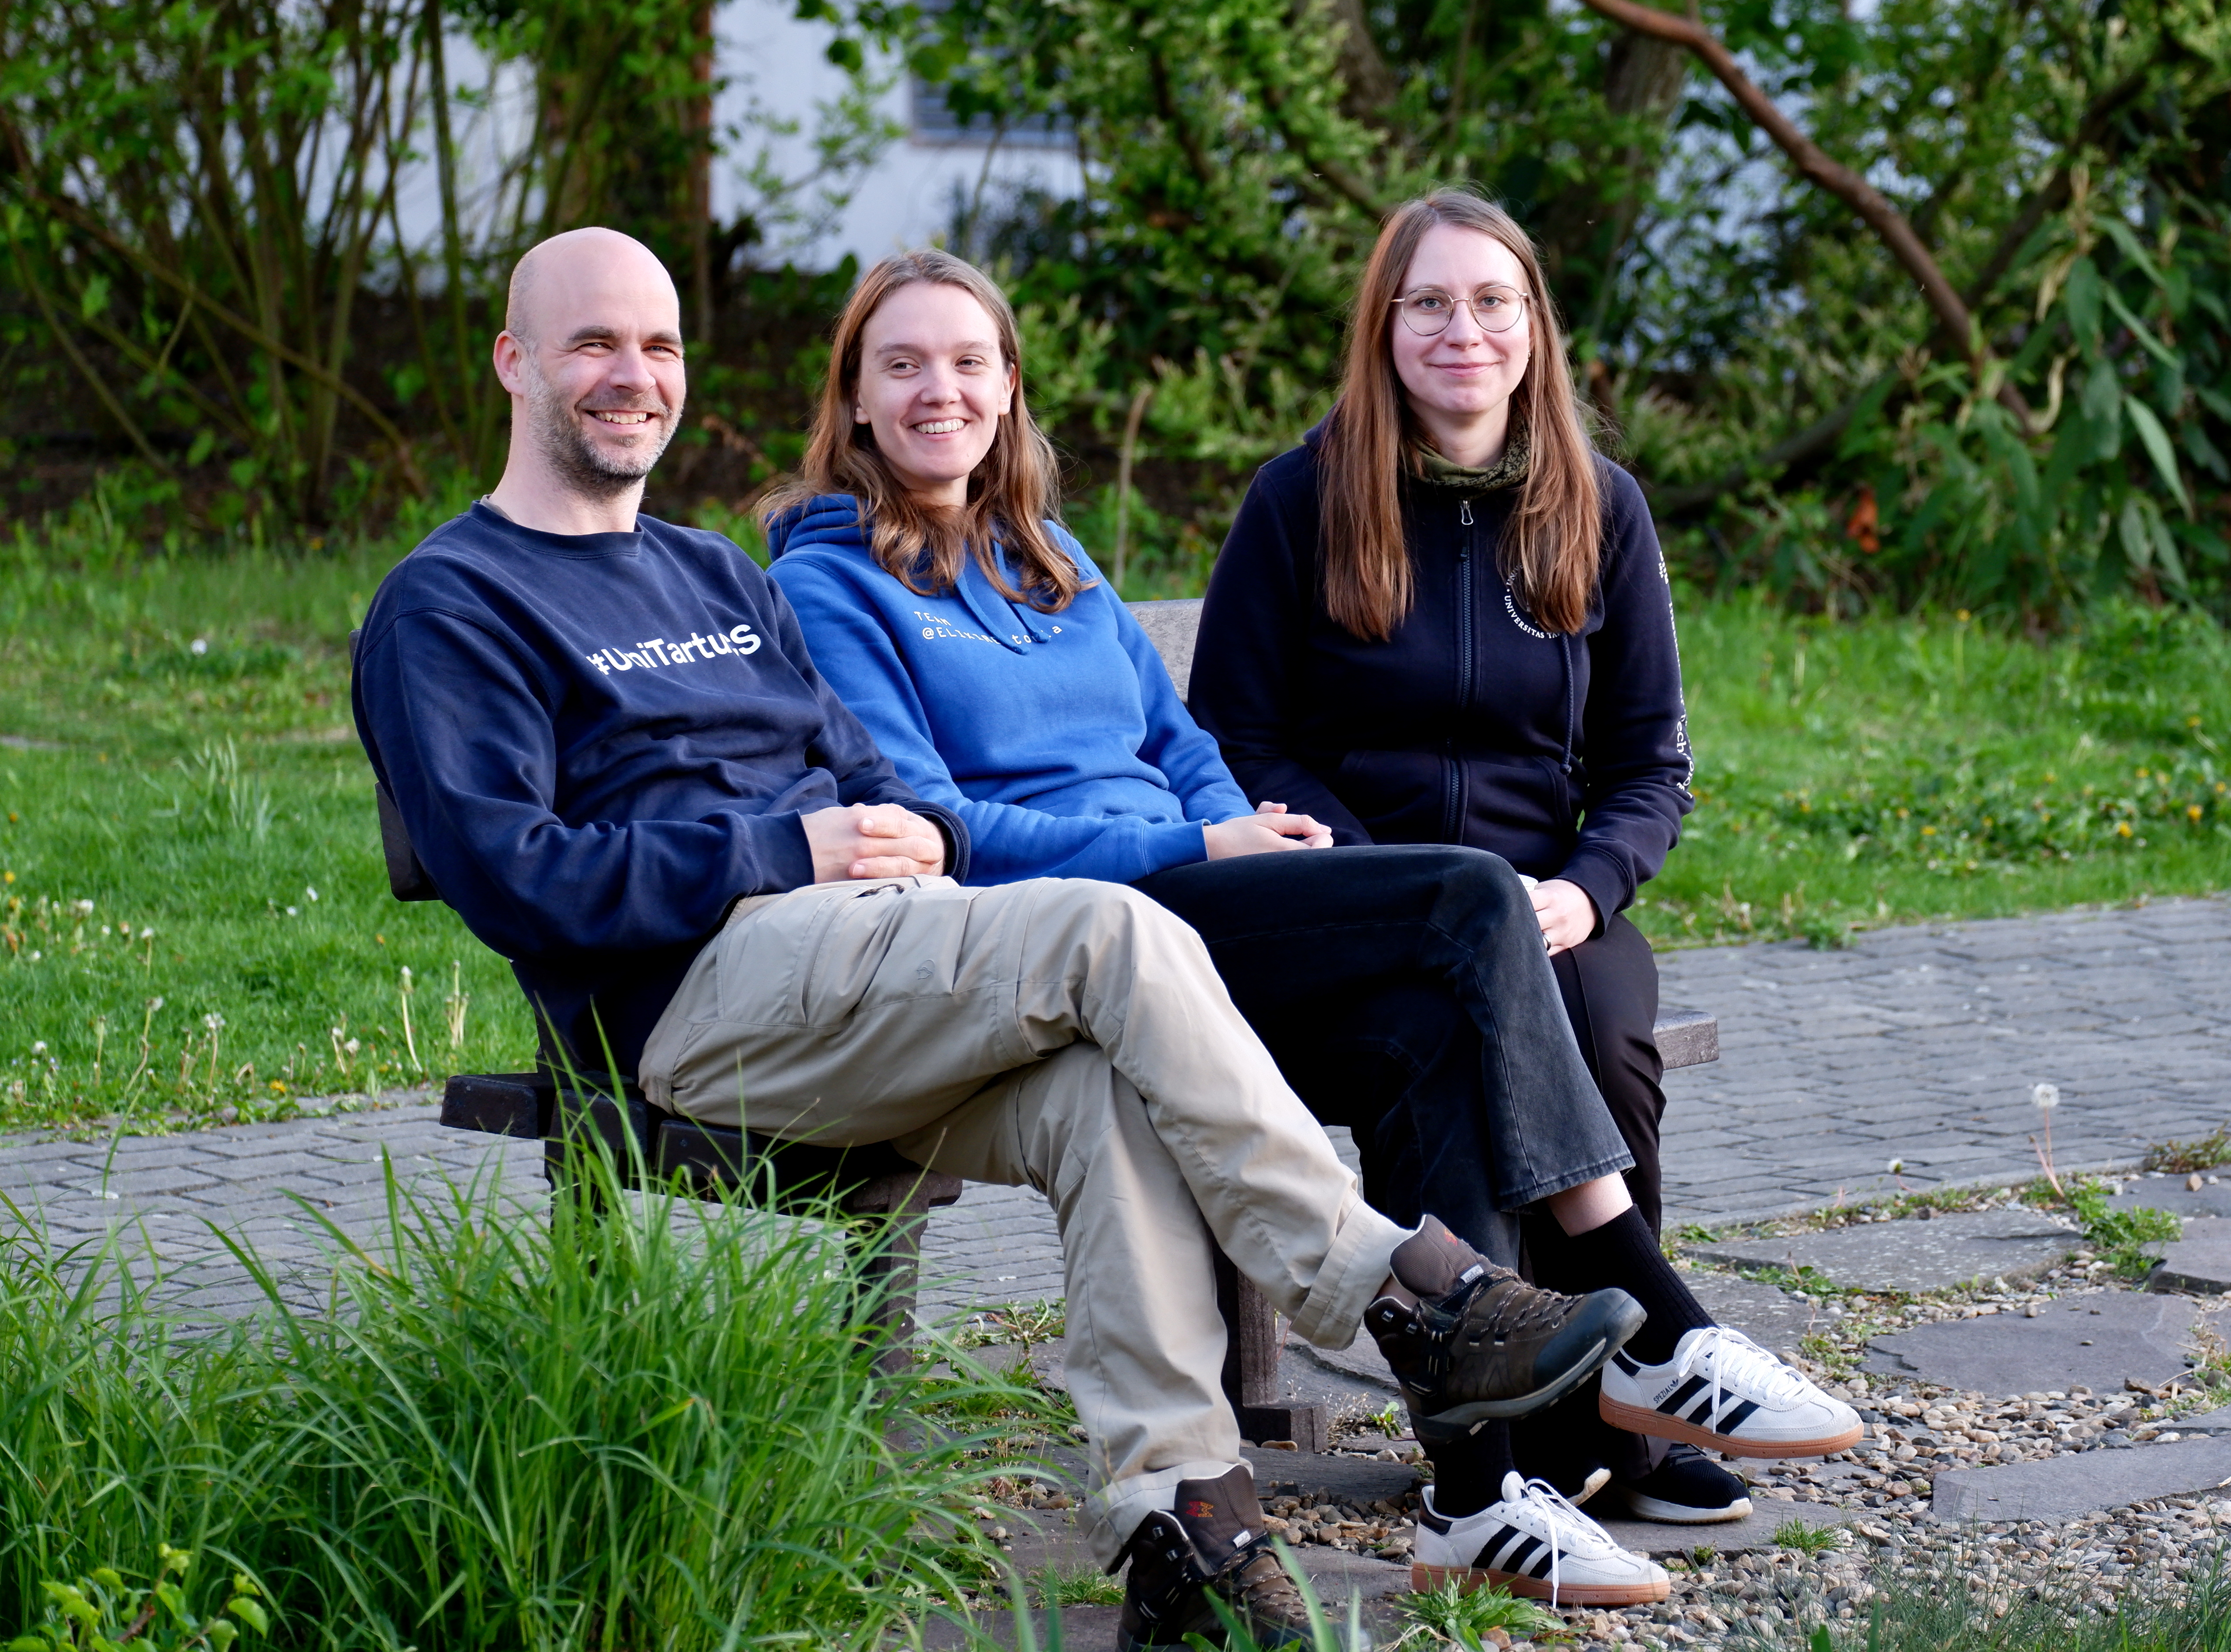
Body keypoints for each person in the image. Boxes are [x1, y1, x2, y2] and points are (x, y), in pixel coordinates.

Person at [348, 227, 1651, 1651]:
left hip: (878, 959)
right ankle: (1399, 1294)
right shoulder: (454, 600)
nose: (632, 374)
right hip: (695, 1004)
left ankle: (1187, 1534)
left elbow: (873, 777)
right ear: (515, 362)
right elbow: (512, 876)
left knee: (1105, 1098)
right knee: (1108, 931)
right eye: (593, 343)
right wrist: (789, 850)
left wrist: (904, 831)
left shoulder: (715, 577)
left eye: (658, 345)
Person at [753, 245, 1861, 1594]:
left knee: (1425, 1035)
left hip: (1197, 904)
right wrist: (1198, 844)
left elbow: (1186, 743)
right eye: (905, 366)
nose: (943, 391)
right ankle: (1664, 1325)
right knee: (1467, 895)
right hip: (1061, 940)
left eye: (970, 362)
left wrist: (1243, 838)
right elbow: (939, 826)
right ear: (855, 400)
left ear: (1010, 388)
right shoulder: (829, 585)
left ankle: (1478, 1496)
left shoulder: (1048, 560)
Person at [1188, 190, 1744, 1526]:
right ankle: (1536, 1434)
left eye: (1493, 301)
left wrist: (1587, 890)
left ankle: (1613, 1416)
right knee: (1439, 1035)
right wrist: (1386, 876)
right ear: (1384, 329)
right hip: (1363, 903)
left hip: (1551, 900)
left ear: (1533, 325)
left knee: (1604, 1037)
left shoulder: (1600, 508)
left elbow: (1650, 765)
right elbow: (1238, 734)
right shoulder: (1303, 500)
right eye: (1428, 303)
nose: (1463, 330)